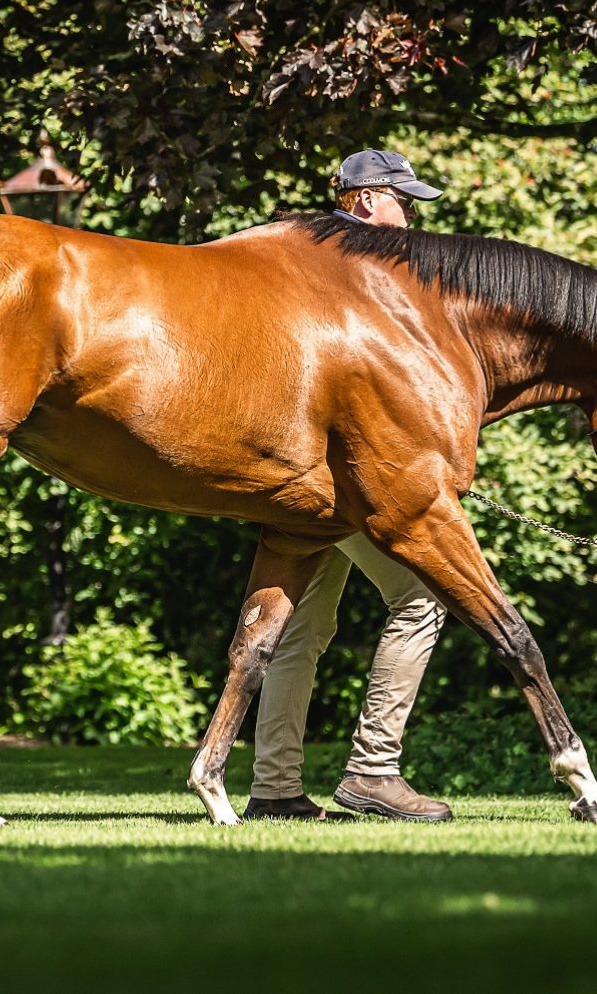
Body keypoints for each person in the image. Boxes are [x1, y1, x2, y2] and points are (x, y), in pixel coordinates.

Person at [244, 148, 456, 822]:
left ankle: (275, 785)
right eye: (405, 200)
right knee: (421, 595)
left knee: (302, 627)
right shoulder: (351, 267)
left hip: (298, 476)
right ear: (367, 200)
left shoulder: (306, 251)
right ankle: (373, 770)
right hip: (340, 481)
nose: (412, 216)